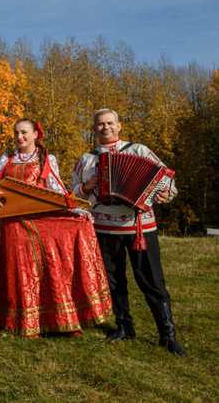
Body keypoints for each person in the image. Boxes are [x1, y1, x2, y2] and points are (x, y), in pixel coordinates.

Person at [0, 119, 111, 337]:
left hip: (41, 220)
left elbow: (57, 191)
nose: (19, 137)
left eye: (24, 133)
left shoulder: (47, 159)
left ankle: (60, 319)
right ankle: (23, 321)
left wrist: (78, 212)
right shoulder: (7, 158)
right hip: (13, 222)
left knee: (49, 267)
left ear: (35, 135)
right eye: (16, 133)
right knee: (20, 270)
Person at [71, 109, 186, 355]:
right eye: (100, 124)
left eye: (110, 123)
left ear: (119, 126)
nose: (105, 128)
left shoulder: (138, 151)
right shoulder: (87, 159)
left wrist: (167, 193)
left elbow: (165, 179)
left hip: (139, 227)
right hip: (103, 228)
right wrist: (85, 186)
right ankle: (125, 327)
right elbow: (72, 191)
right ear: (94, 129)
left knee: (152, 280)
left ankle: (168, 335)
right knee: (114, 281)